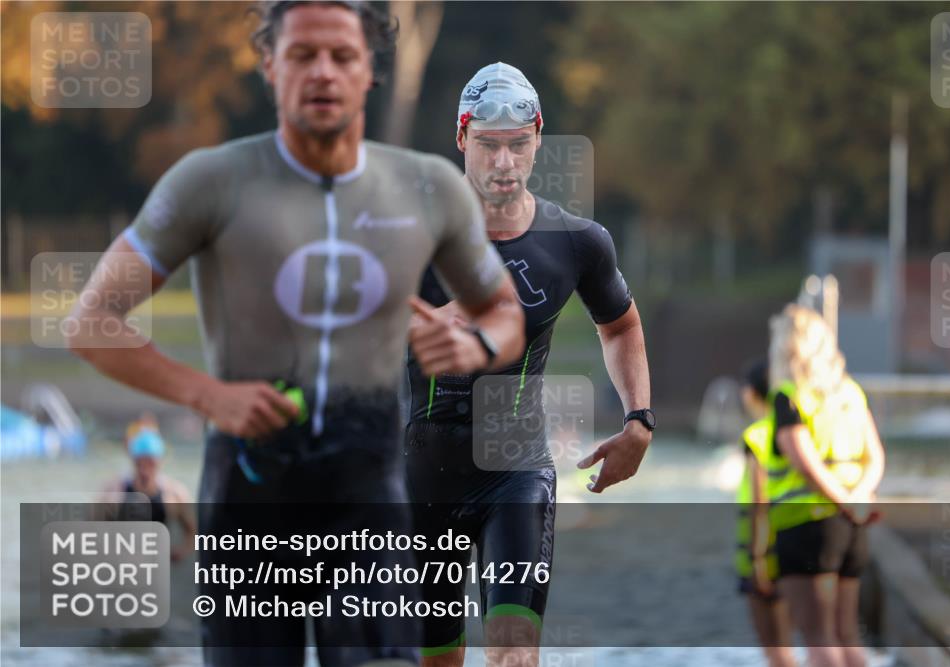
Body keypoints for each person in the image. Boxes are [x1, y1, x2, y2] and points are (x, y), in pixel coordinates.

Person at [67, 3, 525, 666]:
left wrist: (476, 345)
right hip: (249, 487)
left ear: (369, 69)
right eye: (303, 54)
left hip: (366, 485)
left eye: (342, 55)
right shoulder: (210, 180)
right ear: (268, 64)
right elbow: (90, 320)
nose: (323, 72)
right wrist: (206, 395)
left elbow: (505, 312)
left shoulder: (429, 186)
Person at [404, 62, 653, 667]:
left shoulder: (576, 243)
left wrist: (638, 420)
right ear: (462, 139)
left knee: (514, 652)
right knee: (436, 658)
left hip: (514, 469)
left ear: (539, 137)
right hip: (420, 475)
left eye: (518, 145)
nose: (504, 163)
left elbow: (619, 325)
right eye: (488, 145)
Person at [766, 304, 885, 667]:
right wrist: (858, 499)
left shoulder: (790, 395)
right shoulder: (850, 392)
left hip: (808, 525)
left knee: (818, 638)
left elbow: (806, 465)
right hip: (852, 527)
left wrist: (842, 502)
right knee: (847, 633)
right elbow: (876, 456)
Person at [733, 359, 796, 667]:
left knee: (776, 651)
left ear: (752, 394)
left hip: (762, 555)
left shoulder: (757, 435)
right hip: (791, 543)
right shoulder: (797, 431)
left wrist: (758, 562)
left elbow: (759, 504)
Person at [98, 414, 196, 562]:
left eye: (150, 463)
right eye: (140, 463)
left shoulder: (175, 494)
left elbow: (192, 532)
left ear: (159, 461)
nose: (145, 469)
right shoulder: (114, 492)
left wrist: (182, 551)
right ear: (133, 460)